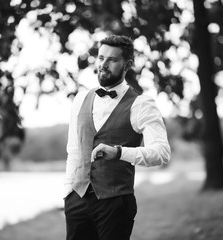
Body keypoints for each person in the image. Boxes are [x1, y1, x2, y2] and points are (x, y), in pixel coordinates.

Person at [64, 35, 171, 240]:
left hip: (115, 204)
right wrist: (68, 193)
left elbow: (162, 153)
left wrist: (120, 152)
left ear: (127, 65)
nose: (103, 65)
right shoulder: (80, 99)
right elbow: (74, 150)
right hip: (76, 201)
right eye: (101, 58)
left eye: (112, 60)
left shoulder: (142, 104)